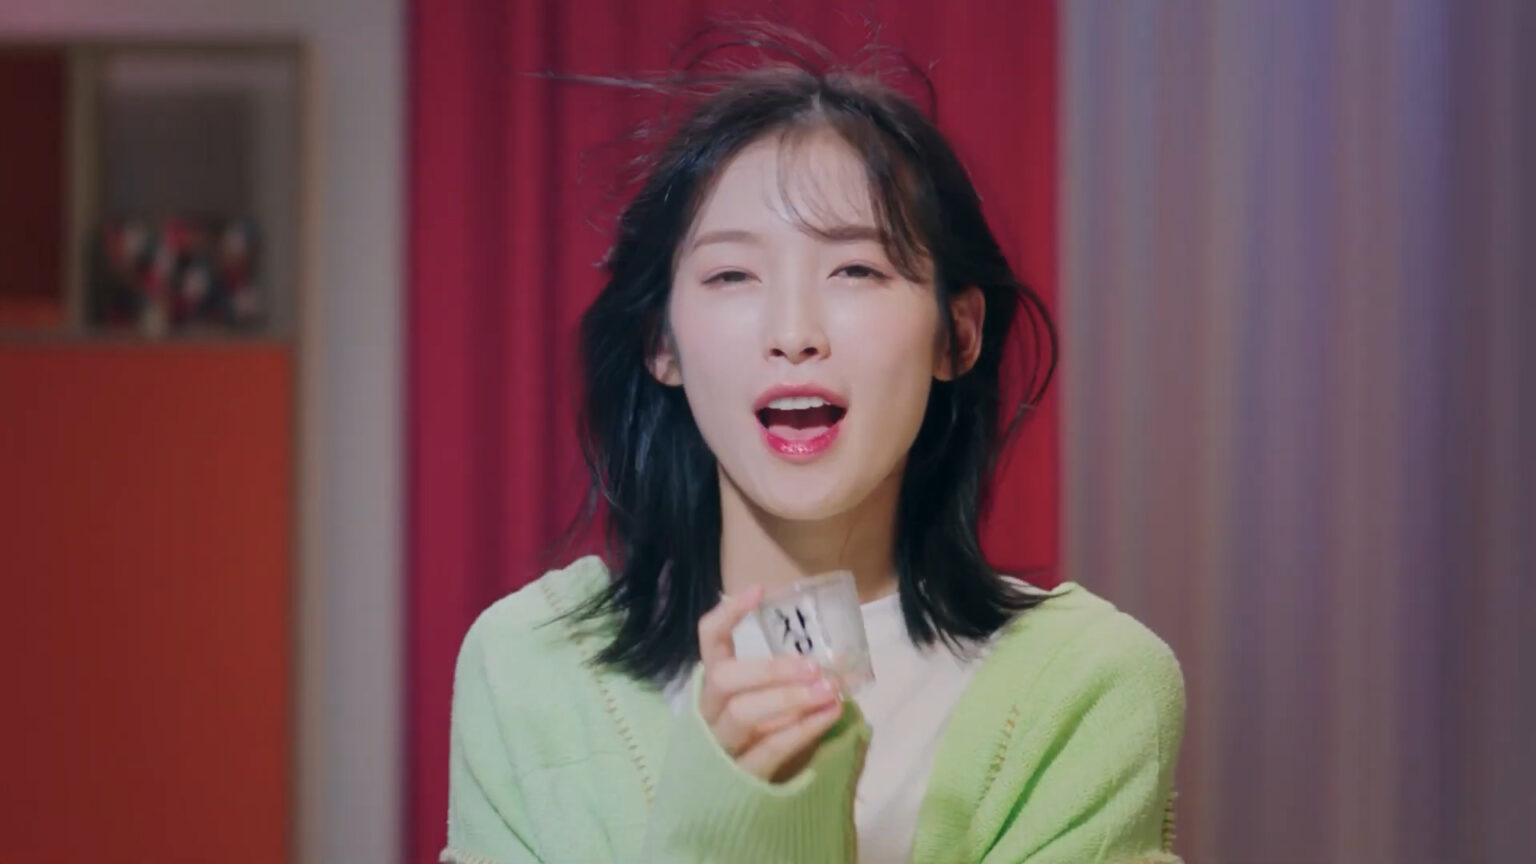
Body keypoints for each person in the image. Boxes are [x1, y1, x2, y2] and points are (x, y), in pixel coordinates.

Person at [441, 26, 1184, 864]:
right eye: (732, 275)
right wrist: (738, 799)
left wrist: (774, 807)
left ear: (957, 334)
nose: (794, 333)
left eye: (856, 270)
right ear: (662, 345)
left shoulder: (1088, 687)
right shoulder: (533, 667)